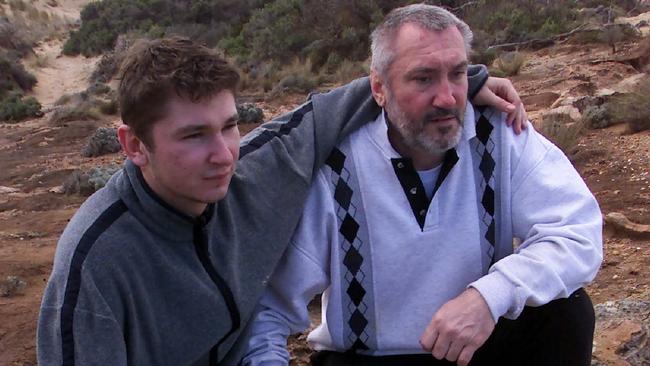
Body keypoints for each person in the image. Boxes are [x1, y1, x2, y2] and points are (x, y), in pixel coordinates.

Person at [36, 36, 526, 365]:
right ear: (134, 145)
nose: (223, 153)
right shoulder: (95, 260)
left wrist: (467, 84)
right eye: (193, 136)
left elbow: (332, 109)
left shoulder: (252, 172)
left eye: (229, 125)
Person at [241, 4, 603, 366]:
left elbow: (578, 232)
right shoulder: (336, 166)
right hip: (369, 358)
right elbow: (268, 309)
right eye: (423, 78)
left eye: (457, 74)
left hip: (472, 349)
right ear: (379, 89)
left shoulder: (500, 137)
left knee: (567, 312)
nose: (447, 98)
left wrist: (490, 295)